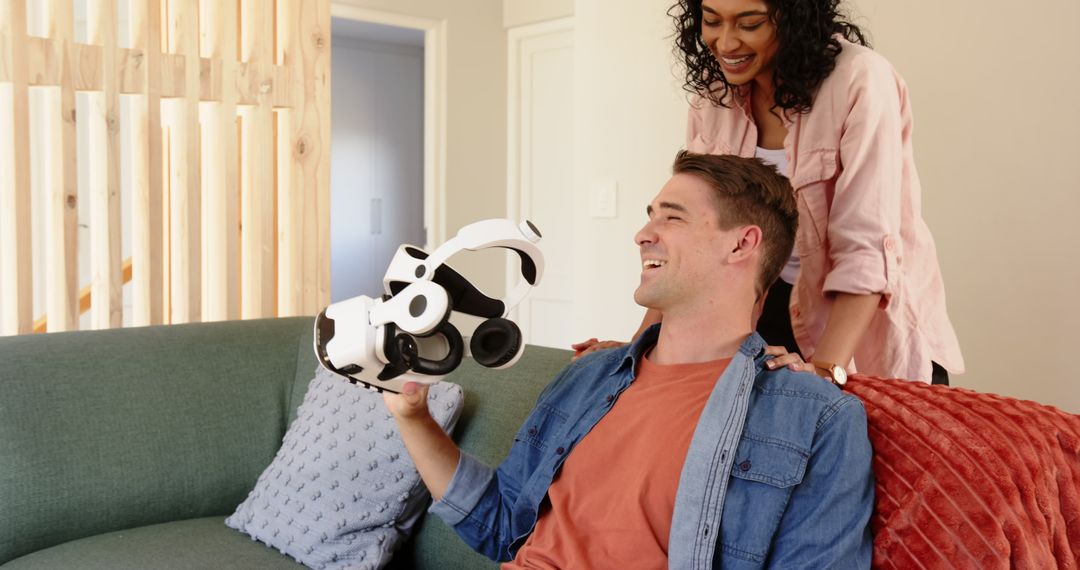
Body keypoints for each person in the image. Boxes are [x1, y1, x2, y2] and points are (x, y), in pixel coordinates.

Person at [385, 152, 874, 568]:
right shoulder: (589, 376)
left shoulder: (813, 417)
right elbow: (499, 525)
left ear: (741, 243)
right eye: (650, 215)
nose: (642, 234)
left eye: (672, 217)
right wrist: (411, 416)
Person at [574, 0, 963, 386]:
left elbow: (868, 246)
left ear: (794, 19)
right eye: (711, 21)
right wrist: (639, 347)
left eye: (749, 23)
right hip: (765, 311)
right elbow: (697, 240)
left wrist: (827, 368)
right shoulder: (713, 97)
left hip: (858, 325)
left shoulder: (860, 79)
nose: (725, 43)